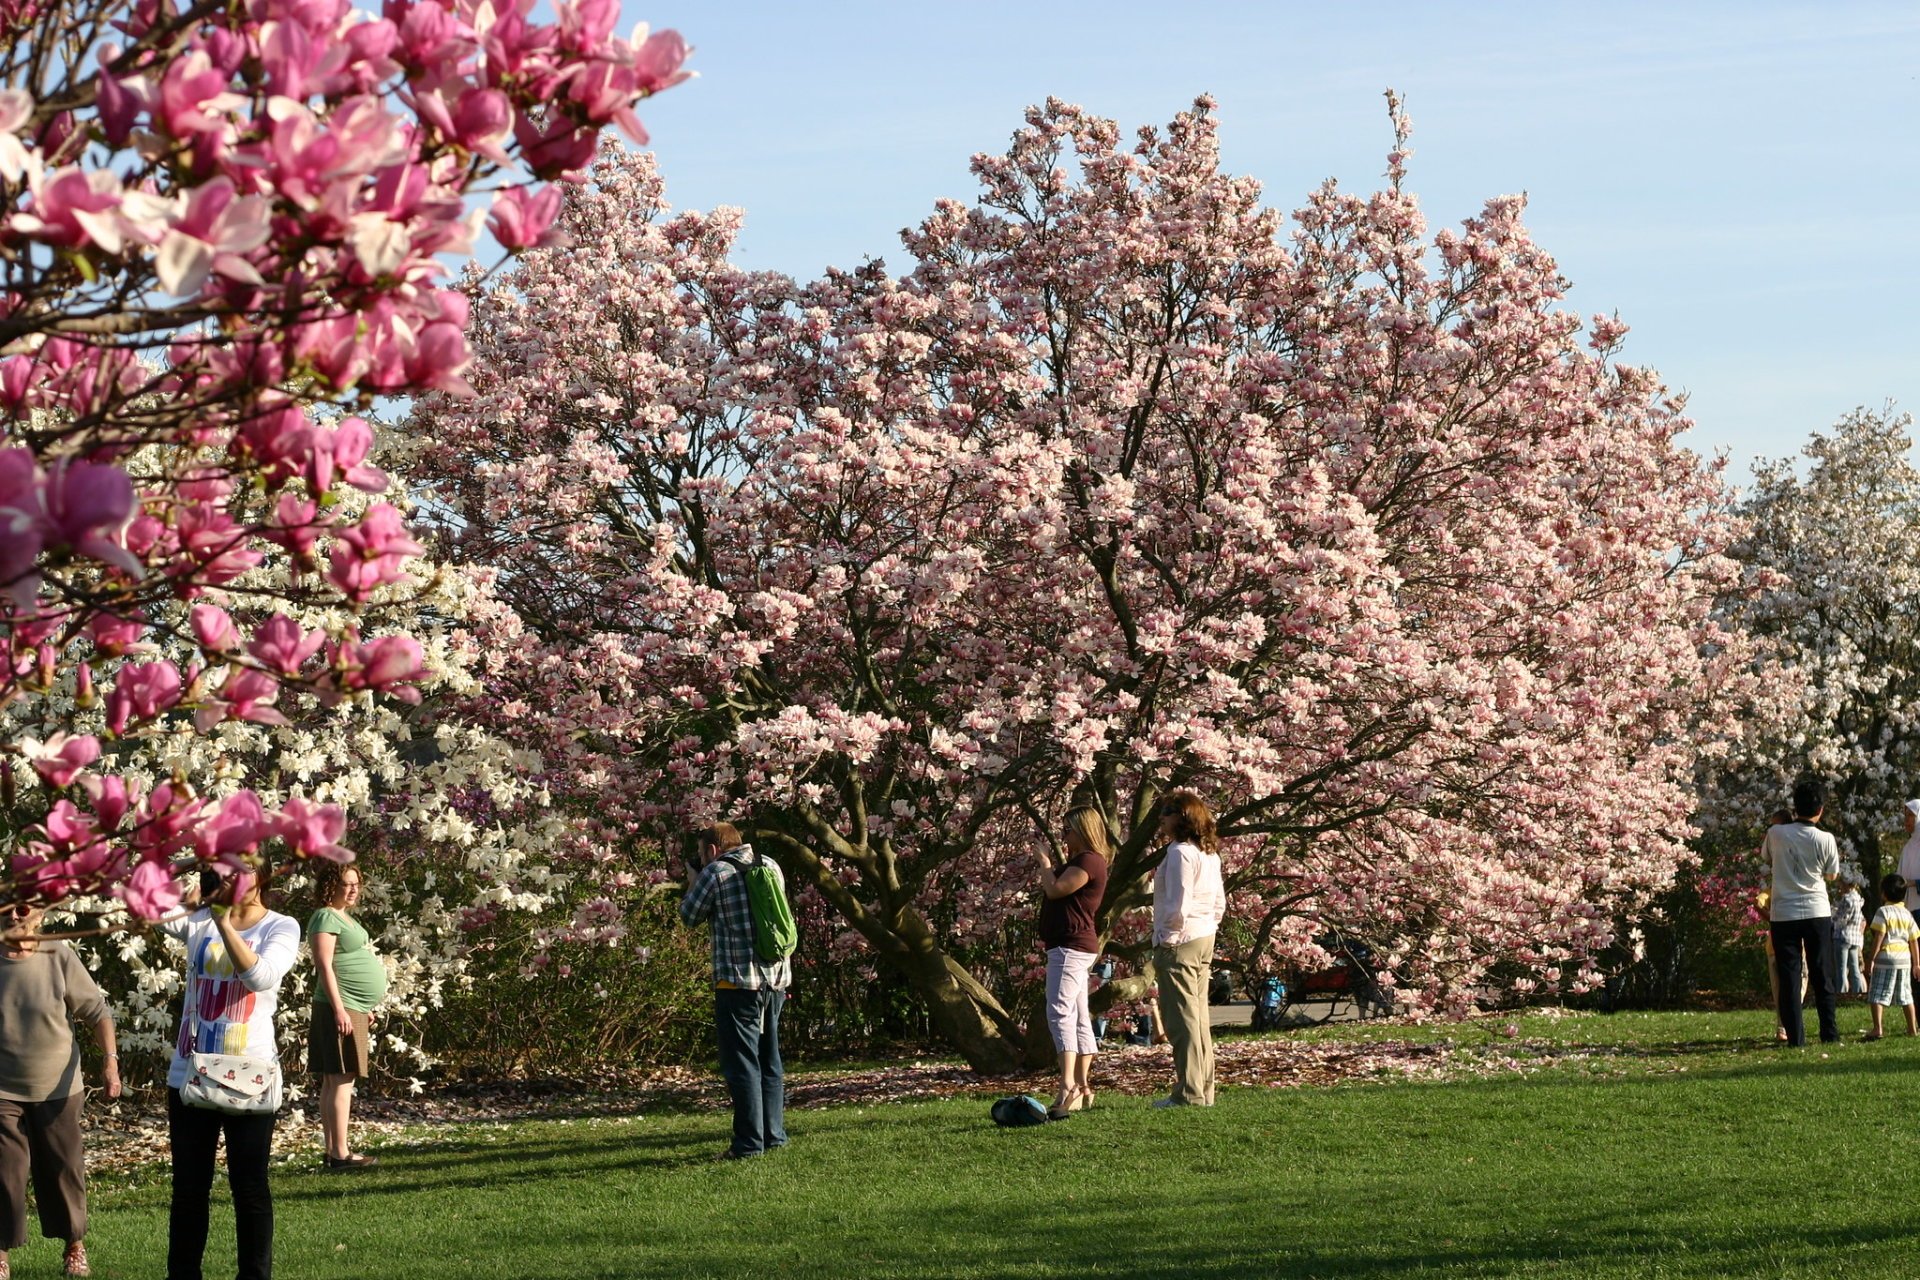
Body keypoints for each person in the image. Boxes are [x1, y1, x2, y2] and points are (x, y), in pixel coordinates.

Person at [161, 860, 300, 1280]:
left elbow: (259, 976)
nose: (228, 878)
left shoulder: (281, 926)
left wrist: (223, 923)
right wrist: (182, 863)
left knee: (250, 1187)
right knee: (188, 1190)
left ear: (263, 877)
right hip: (191, 1072)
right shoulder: (198, 919)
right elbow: (145, 899)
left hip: (250, 1076)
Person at [0, 904, 120, 1280]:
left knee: (63, 1168)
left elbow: (97, 1011)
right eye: (5, 908)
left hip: (58, 1087)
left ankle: (74, 1245)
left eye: (24, 908)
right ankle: (0, 1254)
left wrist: (110, 1062)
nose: (14, 915)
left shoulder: (59, 954)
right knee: (5, 1171)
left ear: (41, 915)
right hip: (3, 1088)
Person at [679, 823, 790, 1159]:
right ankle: (774, 1136)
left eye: (701, 852)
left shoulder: (716, 872)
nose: (701, 858)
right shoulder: (769, 864)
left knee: (742, 1064)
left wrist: (693, 881)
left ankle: (747, 1144)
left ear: (712, 849)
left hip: (737, 982)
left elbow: (689, 915)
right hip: (775, 980)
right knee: (769, 1059)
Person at [306, 862, 388, 1170]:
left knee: (334, 1079)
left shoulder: (341, 917)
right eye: (346, 884)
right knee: (340, 1080)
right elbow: (324, 965)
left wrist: (364, 1007)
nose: (353, 889)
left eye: (356, 883)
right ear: (331, 886)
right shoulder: (325, 915)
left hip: (352, 1006)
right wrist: (341, 1008)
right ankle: (340, 1154)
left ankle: (333, 1151)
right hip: (338, 1006)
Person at [1149, 791, 1227, 1108]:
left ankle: (1189, 1093)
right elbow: (1219, 902)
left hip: (1181, 942)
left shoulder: (1180, 852)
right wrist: (1208, 926)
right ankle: (1202, 1090)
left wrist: (1167, 937)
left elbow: (1177, 903)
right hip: (1203, 937)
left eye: (1167, 811)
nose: (1162, 817)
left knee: (1181, 1021)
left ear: (1183, 817)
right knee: (1198, 1020)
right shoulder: (1208, 853)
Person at [1034, 807, 1109, 1119]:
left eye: (1068, 830)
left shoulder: (1089, 860)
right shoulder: (1084, 861)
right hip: (1072, 946)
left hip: (1070, 946)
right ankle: (1082, 1085)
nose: (1063, 835)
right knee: (1078, 1015)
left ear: (1083, 830)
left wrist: (1045, 864)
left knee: (1059, 1013)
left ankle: (1067, 1086)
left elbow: (1056, 890)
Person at [1763, 779, 1841, 1047]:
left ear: (1795, 807)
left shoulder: (1776, 834)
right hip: (1817, 910)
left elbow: (1767, 858)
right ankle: (1829, 1033)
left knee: (1789, 976)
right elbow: (1831, 875)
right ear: (1820, 809)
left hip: (1783, 912)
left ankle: (1796, 1039)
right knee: (1822, 974)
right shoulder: (1826, 838)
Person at [1863, 873, 1920, 1040]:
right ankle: (1912, 1029)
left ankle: (1878, 1028)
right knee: (1906, 995)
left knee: (1877, 993)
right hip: (1904, 960)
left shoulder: (1883, 912)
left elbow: (1879, 937)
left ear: (1883, 894)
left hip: (1886, 958)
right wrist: (1917, 964)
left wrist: (1871, 959)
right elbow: (1914, 941)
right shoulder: (1907, 913)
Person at [1830, 877, 1867, 999]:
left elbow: (1840, 919)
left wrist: (1832, 917)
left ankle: (1842, 993)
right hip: (1855, 937)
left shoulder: (1847, 899)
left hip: (1843, 936)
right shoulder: (1858, 898)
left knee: (1841, 968)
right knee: (1854, 967)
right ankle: (1857, 992)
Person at [1898, 800, 1920, 913]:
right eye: (1905, 815)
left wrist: (1914, 883)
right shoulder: (1907, 847)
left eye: (1911, 815)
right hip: (1908, 911)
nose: (1906, 819)